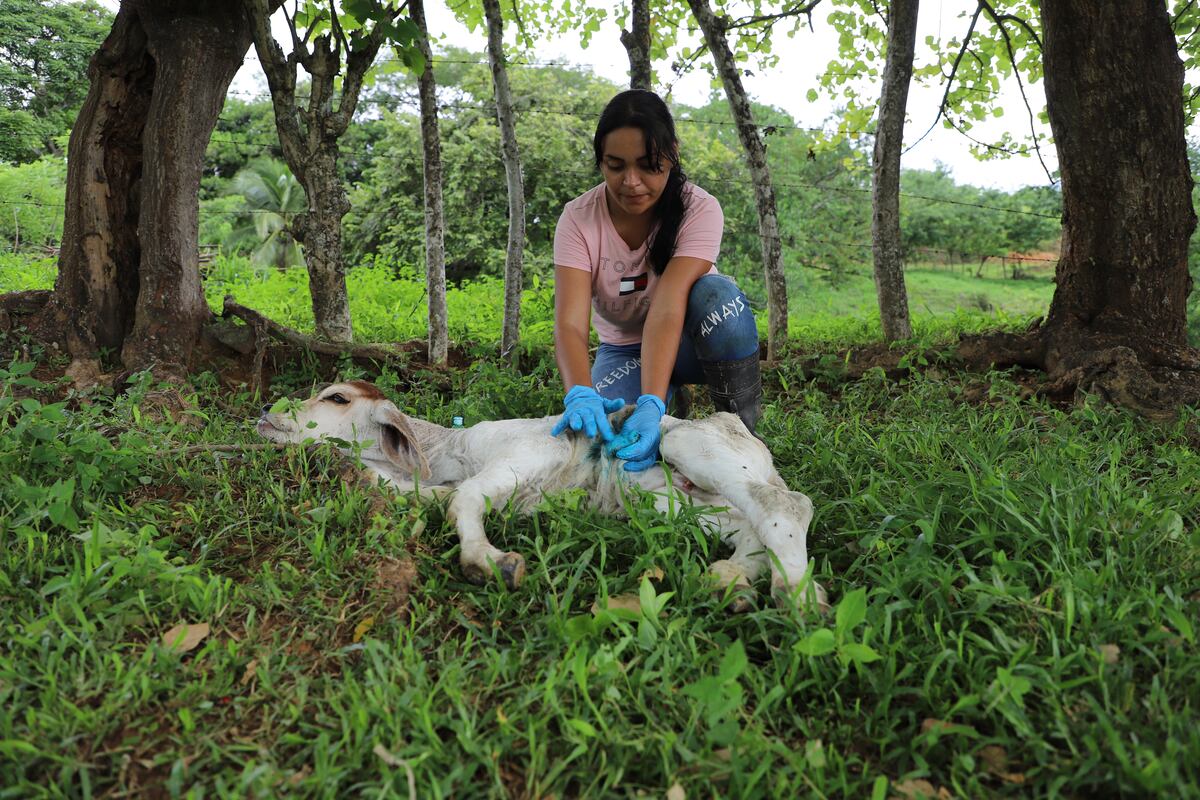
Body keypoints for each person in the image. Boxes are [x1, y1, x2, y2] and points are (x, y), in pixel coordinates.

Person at [550, 89, 762, 472]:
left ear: (672, 154)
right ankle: (666, 399)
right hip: (626, 353)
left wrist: (649, 403)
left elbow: (667, 307)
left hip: (693, 343)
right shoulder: (578, 220)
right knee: (604, 445)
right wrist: (580, 393)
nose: (632, 182)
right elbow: (569, 324)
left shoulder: (700, 208)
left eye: (649, 165)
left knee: (720, 299)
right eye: (616, 166)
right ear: (601, 161)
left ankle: (742, 433)